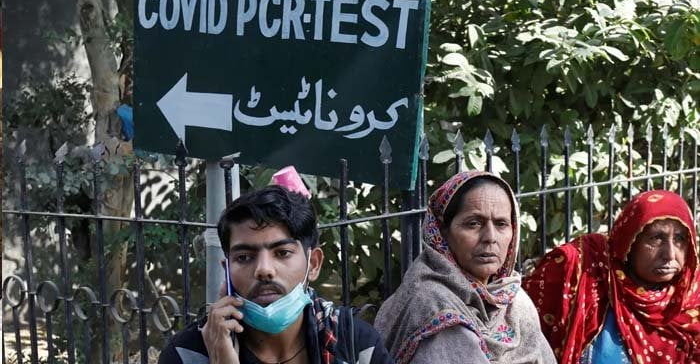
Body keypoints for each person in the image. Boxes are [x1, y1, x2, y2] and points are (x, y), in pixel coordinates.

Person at [159, 185, 394, 364]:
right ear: (227, 269)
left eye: (282, 253)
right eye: (244, 257)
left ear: (313, 264)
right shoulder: (189, 353)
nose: (264, 270)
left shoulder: (355, 345)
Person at [374, 171, 556, 364]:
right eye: (473, 224)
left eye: (501, 224)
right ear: (443, 231)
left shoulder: (513, 299)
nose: (490, 237)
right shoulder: (433, 304)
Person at [523, 190, 700, 364]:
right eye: (656, 238)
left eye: (679, 239)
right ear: (629, 241)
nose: (670, 254)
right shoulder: (584, 269)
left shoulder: (692, 295)